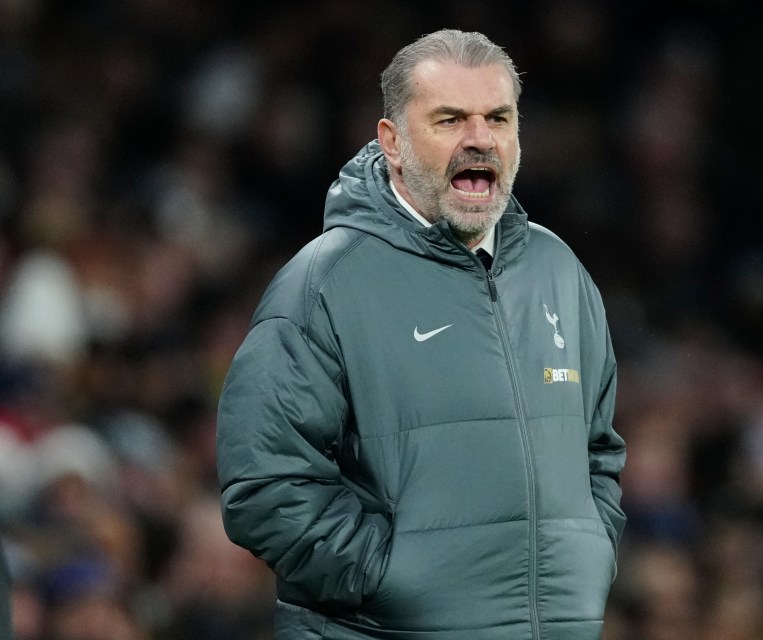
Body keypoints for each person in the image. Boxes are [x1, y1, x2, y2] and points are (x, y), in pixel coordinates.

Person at [217, 29, 626, 640]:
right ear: (393, 143)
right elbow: (266, 485)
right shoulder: (324, 283)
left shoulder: (559, 270)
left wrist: (589, 552)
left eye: (498, 117)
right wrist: (391, 579)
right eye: (449, 119)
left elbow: (599, 452)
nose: (479, 140)